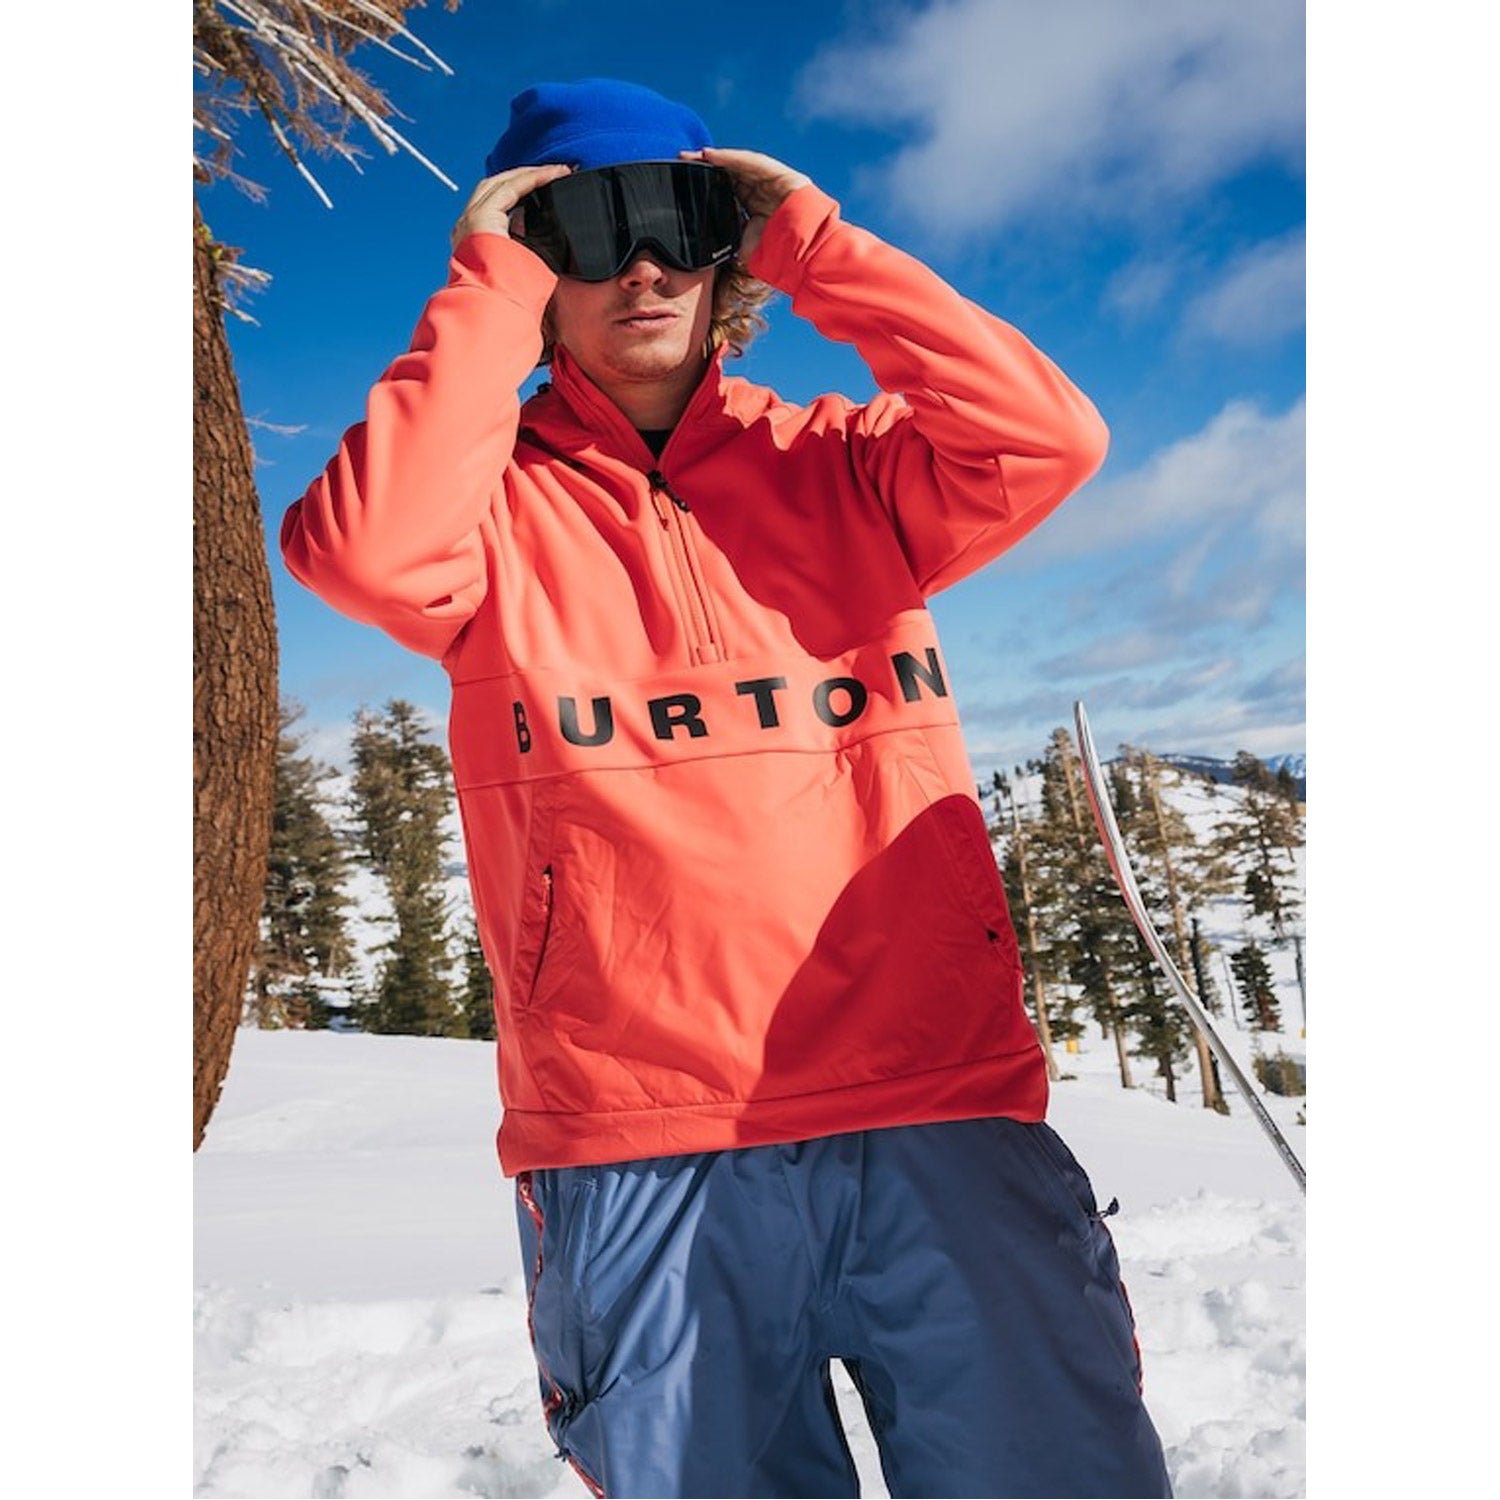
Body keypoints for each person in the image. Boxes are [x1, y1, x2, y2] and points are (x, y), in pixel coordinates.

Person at [283, 77, 1172, 1500]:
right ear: (530, 267)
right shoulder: (488, 513)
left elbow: (1046, 439)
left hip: (935, 1101)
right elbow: (362, 553)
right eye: (587, 229)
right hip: (637, 1136)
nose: (641, 265)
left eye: (676, 219)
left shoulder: (847, 468)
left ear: (728, 252)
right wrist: (490, 287)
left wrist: (813, 240)